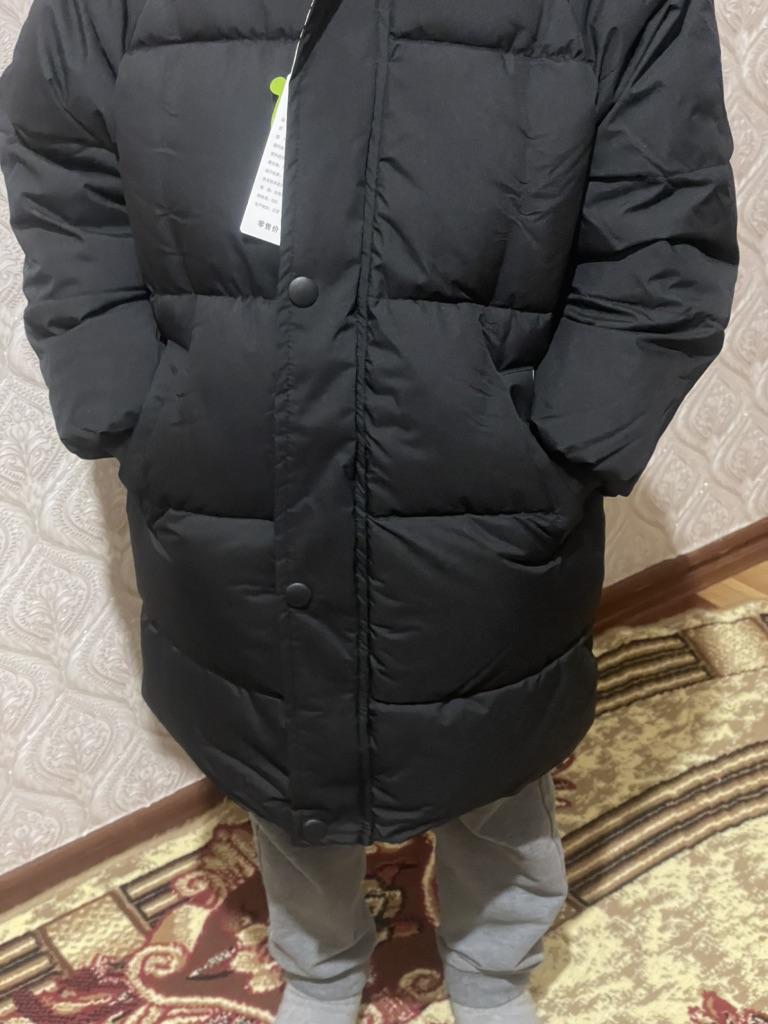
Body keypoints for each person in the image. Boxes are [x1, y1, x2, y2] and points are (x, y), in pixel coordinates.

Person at [0, 0, 738, 1020]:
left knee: (494, 748)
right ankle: (320, 967)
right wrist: (124, 392)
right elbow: (61, 157)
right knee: (284, 754)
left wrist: (563, 439)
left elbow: (664, 217)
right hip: (227, 460)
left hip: (480, 477)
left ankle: (493, 971)